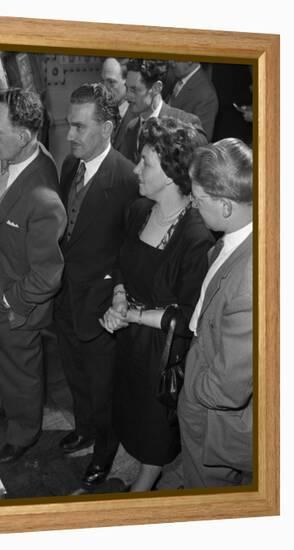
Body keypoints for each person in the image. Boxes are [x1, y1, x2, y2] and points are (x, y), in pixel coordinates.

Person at [100, 117, 213, 492]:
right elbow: (121, 265)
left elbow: (188, 317)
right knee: (127, 408)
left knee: (154, 426)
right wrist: (118, 298)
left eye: (145, 162)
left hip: (163, 353)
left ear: (169, 171)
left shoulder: (196, 236)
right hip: (130, 342)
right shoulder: (137, 211)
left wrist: (130, 314)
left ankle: (145, 485)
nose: (135, 169)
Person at [54, 83, 138, 489]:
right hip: (66, 300)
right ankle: (84, 429)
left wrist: (117, 298)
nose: (70, 135)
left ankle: (104, 452)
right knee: (75, 375)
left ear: (106, 128)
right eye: (70, 125)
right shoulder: (71, 166)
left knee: (103, 388)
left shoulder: (126, 179)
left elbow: (130, 250)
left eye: (79, 127)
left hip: (102, 307)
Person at [0, 89, 67, 465]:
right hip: (1, 272)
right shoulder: (20, 156)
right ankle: (16, 407)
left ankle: (23, 433)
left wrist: (8, 299)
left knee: (21, 366)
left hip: (16, 298)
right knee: (7, 361)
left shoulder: (44, 197)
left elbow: (49, 274)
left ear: (25, 136)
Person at [178, 138, 253, 488]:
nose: (193, 203)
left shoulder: (248, 280)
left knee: (205, 491)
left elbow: (228, 388)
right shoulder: (233, 236)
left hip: (212, 421)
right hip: (205, 383)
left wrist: (191, 391)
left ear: (225, 206)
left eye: (198, 197)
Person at [118, 58, 206, 164]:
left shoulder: (186, 123)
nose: (127, 96)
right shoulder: (131, 128)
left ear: (156, 88)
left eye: (134, 90)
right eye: (126, 88)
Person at [167, 61, 219, 140]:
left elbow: (201, 140)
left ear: (190, 60)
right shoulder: (176, 76)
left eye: (175, 59)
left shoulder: (207, 95)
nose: (171, 62)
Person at [100, 57, 137, 151]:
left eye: (111, 82)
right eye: (103, 81)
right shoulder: (103, 114)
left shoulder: (138, 117)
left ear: (127, 81)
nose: (105, 88)